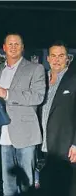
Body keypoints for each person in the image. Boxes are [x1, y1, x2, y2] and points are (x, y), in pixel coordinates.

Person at [0, 33, 46, 196]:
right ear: (4, 48)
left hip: (26, 135)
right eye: (10, 44)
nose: (13, 47)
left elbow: (37, 96)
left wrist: (7, 93)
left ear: (22, 47)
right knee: (8, 186)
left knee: (26, 185)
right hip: (4, 135)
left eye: (17, 44)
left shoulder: (35, 68)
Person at [40, 41, 76, 196]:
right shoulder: (41, 80)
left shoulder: (73, 80)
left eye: (61, 56)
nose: (57, 60)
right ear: (47, 58)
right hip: (43, 146)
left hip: (65, 147)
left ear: (67, 58)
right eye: (53, 56)